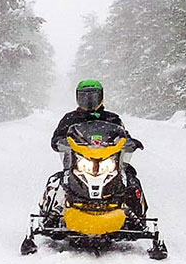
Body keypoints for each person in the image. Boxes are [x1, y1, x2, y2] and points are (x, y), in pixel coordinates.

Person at [49, 79, 148, 221]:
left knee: (130, 179)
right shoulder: (70, 118)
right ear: (78, 98)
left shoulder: (112, 118)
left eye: (93, 96)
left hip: (108, 161)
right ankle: (52, 212)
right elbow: (57, 137)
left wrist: (131, 143)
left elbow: (123, 135)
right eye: (84, 97)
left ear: (101, 97)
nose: (89, 101)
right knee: (60, 181)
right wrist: (60, 142)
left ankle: (137, 215)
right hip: (77, 161)